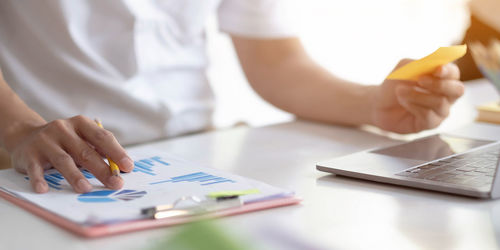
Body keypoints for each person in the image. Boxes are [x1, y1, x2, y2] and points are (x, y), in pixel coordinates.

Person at [0, 0, 464, 194]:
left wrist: (371, 104)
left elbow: (274, 57)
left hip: (195, 154)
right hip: (42, 163)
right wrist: (18, 128)